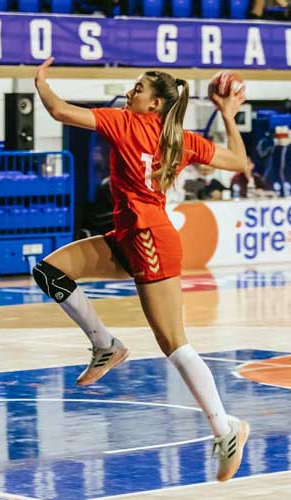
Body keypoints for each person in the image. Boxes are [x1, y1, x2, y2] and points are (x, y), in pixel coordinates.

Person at [32, 57, 251, 482]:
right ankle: (105, 345)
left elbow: (59, 111)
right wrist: (227, 115)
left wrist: (40, 82)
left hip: (150, 240)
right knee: (50, 272)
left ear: (154, 105)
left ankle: (225, 428)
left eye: (138, 88)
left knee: (174, 343)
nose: (131, 91)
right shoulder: (181, 138)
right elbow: (239, 160)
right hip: (130, 236)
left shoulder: (125, 123)